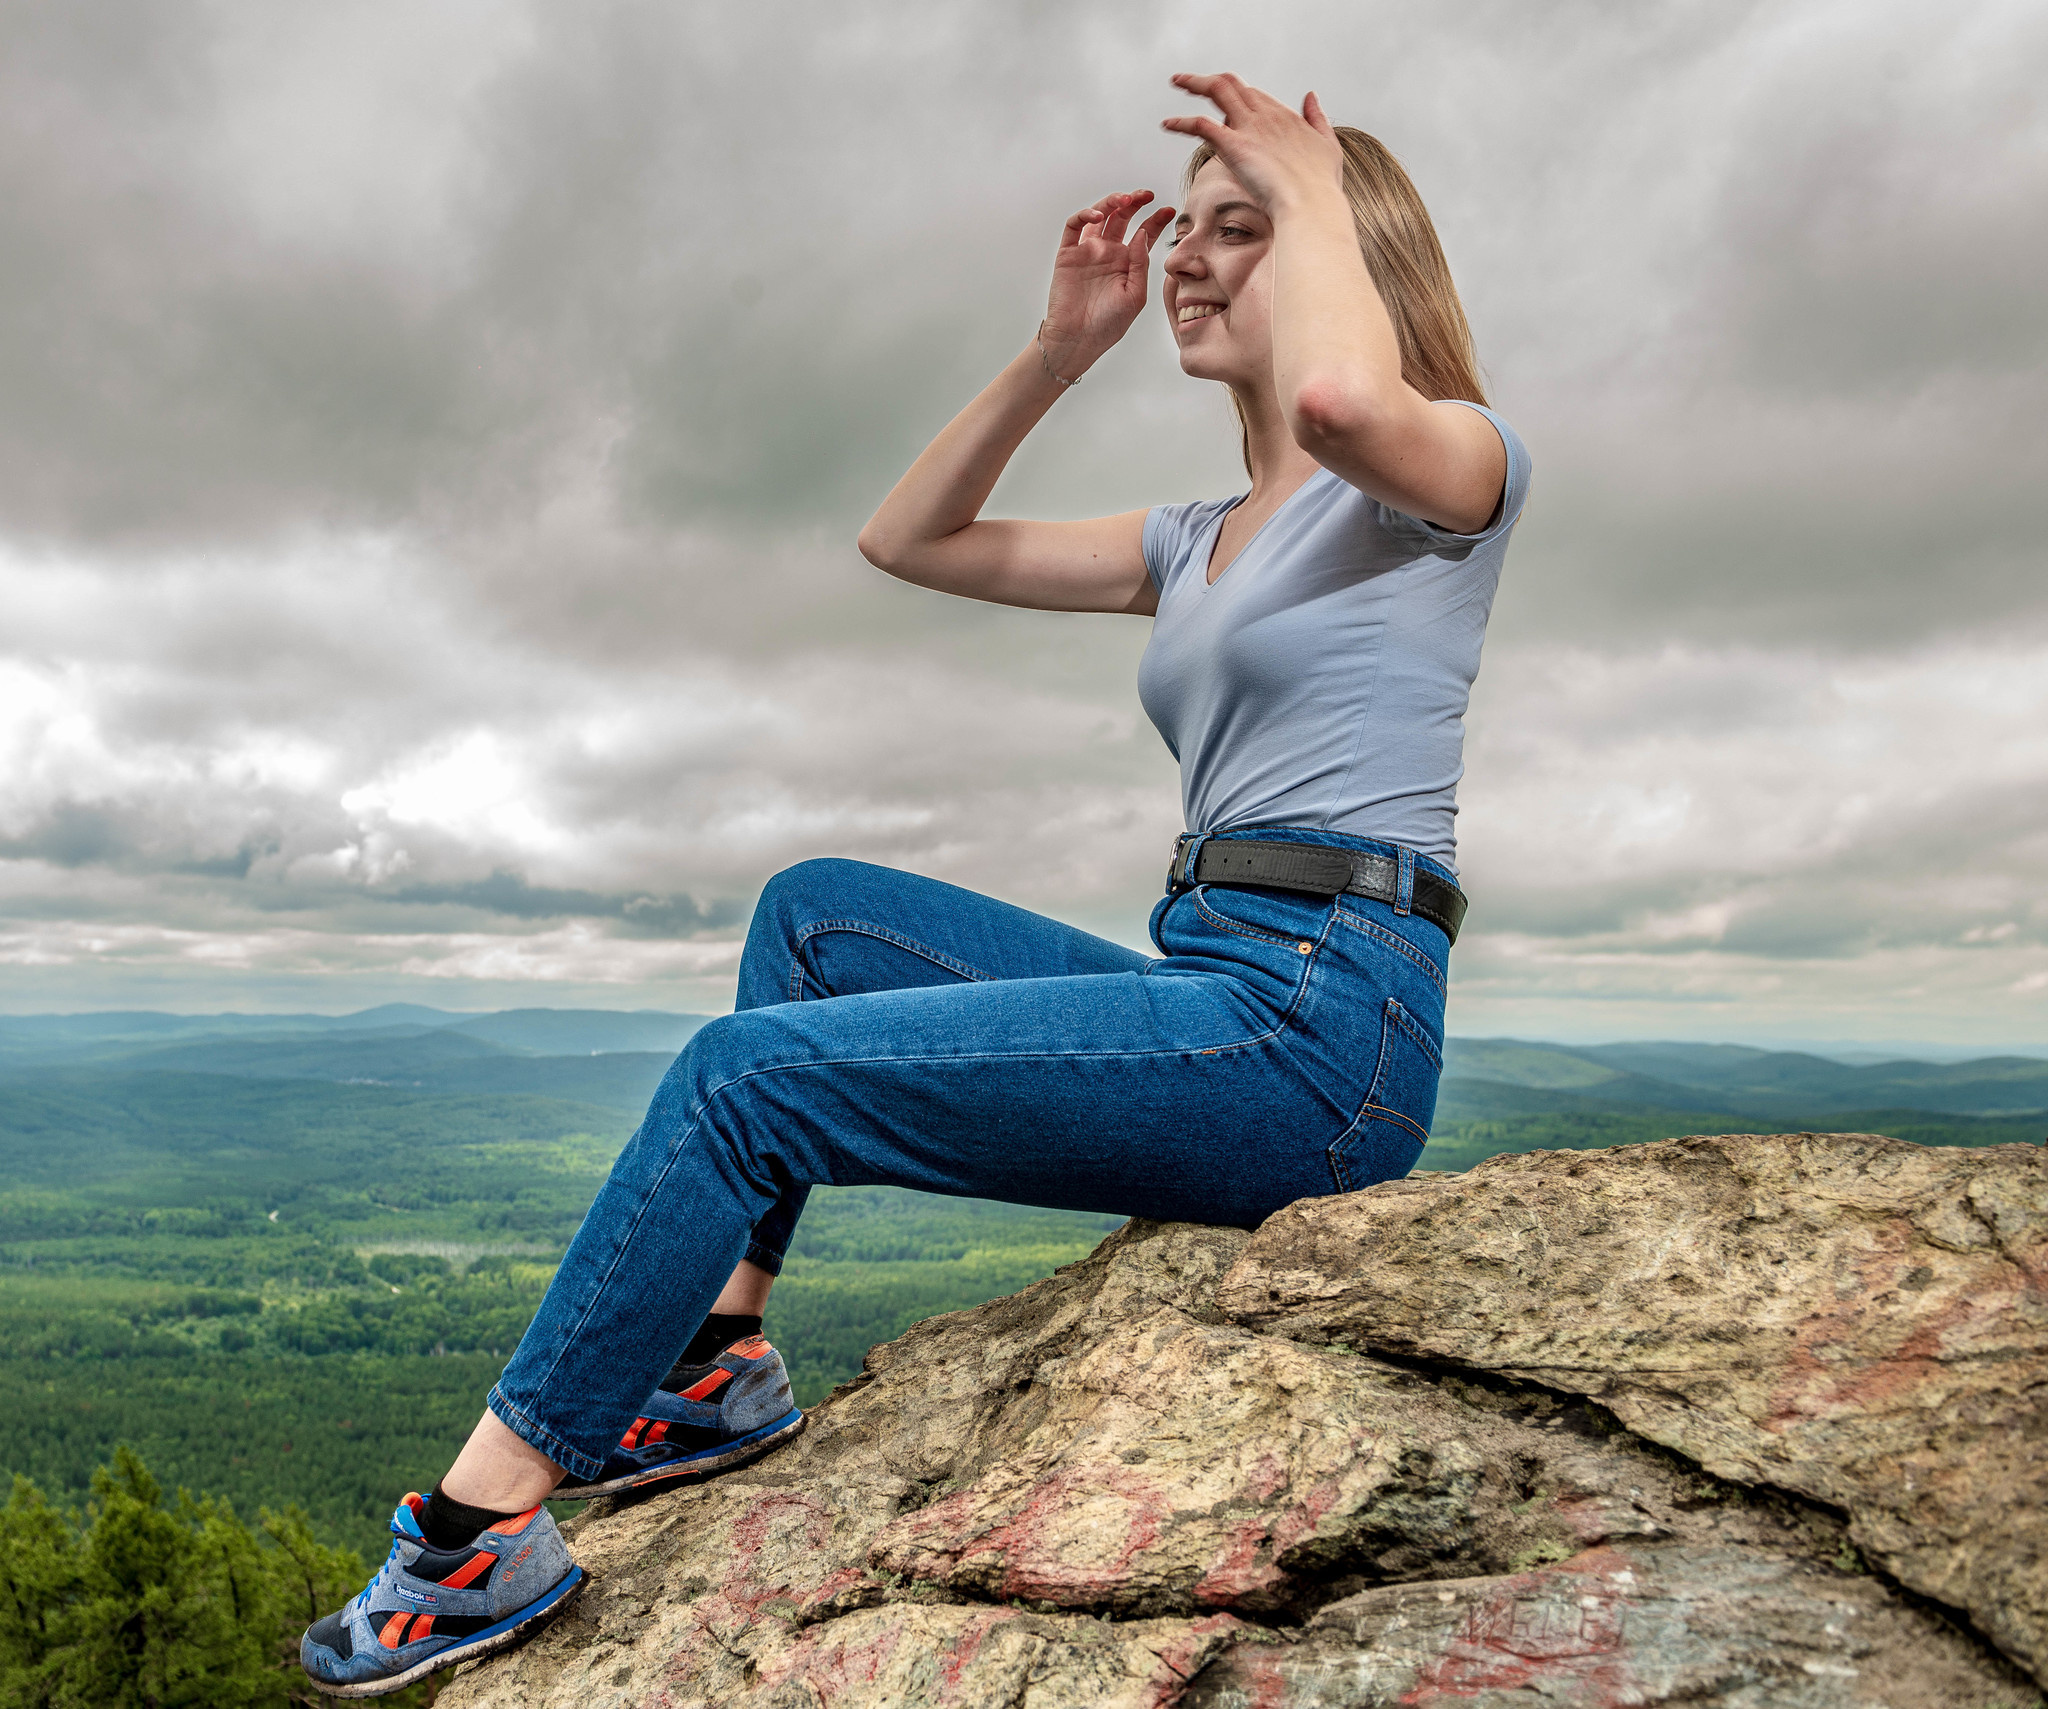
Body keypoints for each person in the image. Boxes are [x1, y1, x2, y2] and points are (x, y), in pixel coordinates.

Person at [298, 71, 1530, 1697]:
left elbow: (1343, 409)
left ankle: (473, 1532)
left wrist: (1306, 184)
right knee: (812, 917)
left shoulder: (1451, 475)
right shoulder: (1196, 538)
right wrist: (1056, 353)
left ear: (1346, 261)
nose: (1198, 258)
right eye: (1200, 232)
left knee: (745, 1085)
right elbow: (910, 539)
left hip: (1329, 1024)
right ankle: (718, 1364)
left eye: (1249, 233)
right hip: (1211, 967)